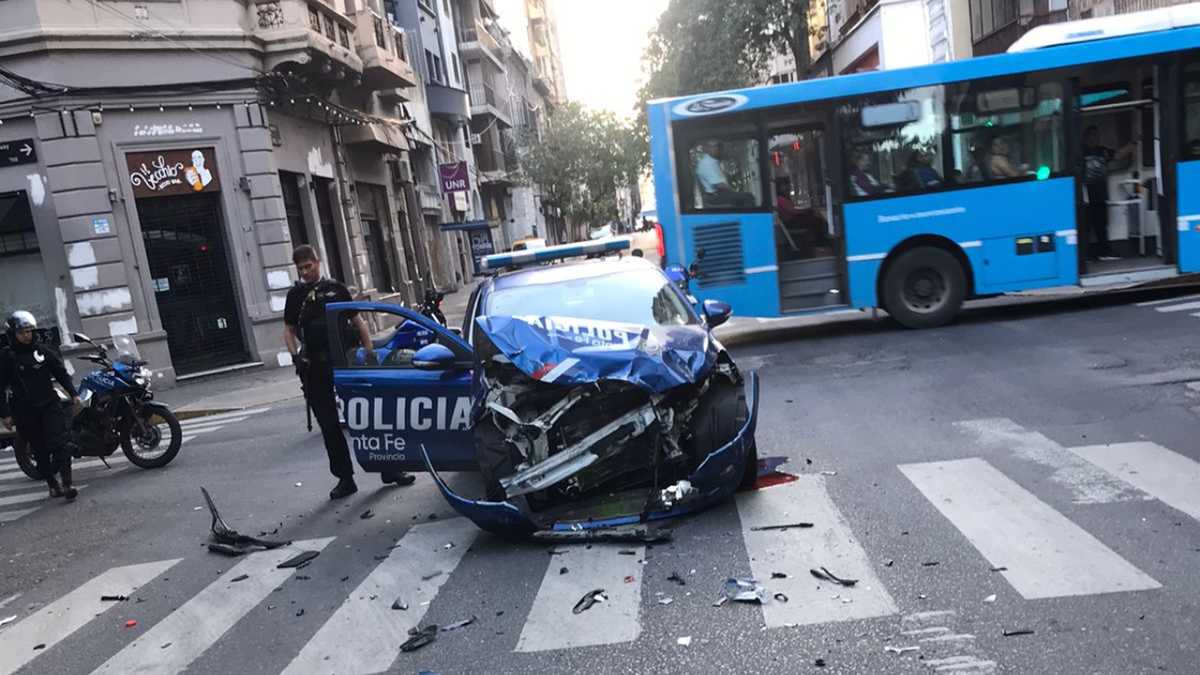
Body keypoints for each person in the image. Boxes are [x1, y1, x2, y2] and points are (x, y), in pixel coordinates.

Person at [283, 245, 415, 500]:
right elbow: (288, 330)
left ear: (317, 262)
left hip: (345, 361)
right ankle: (345, 478)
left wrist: (369, 354)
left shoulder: (336, 289)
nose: (304, 272)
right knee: (329, 425)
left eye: (308, 266)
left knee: (366, 417)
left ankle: (390, 468)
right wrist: (295, 357)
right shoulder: (295, 296)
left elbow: (358, 322)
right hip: (314, 367)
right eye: (300, 268)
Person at [0, 311, 80, 500]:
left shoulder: (43, 351)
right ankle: (53, 484)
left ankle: (68, 484)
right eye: (21, 332)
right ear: (13, 335)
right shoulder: (7, 356)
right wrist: (5, 414)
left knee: (59, 442)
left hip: (49, 404)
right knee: (39, 449)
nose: (26, 335)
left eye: (28, 331)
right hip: (24, 410)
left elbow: (60, 372)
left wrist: (74, 394)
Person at [1083, 125, 1138, 263]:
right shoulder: (1080, 152)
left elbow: (1118, 155)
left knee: (1102, 226)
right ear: (1087, 137)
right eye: (1094, 136)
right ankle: (1086, 255)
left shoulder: (1103, 151)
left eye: (1098, 136)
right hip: (1085, 195)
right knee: (1085, 227)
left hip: (1100, 194)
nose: (1097, 138)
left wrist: (1134, 143)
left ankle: (1105, 252)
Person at [694, 141, 756, 208]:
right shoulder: (707, 163)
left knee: (741, 197)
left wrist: (732, 178)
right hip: (714, 197)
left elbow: (719, 178)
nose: (716, 149)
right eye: (712, 147)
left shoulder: (711, 161)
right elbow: (719, 185)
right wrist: (733, 190)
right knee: (748, 197)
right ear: (706, 149)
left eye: (716, 146)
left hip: (717, 194)